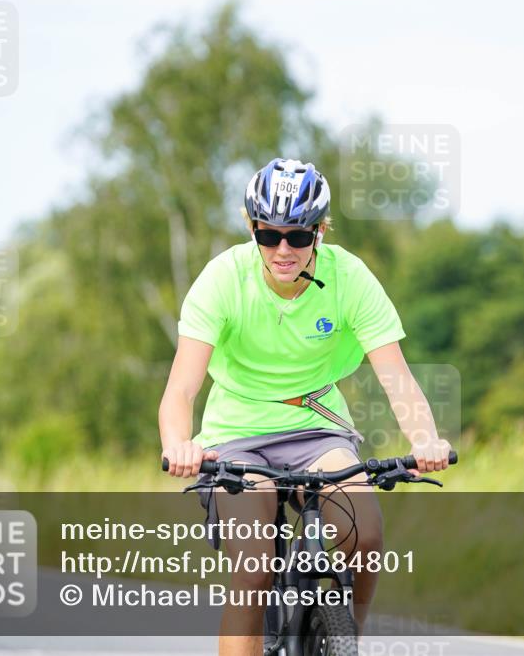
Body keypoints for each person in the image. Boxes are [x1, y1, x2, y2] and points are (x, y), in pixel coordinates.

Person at [158, 157, 452, 656]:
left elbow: (396, 377)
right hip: (236, 437)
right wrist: (179, 445)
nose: (283, 249)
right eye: (269, 235)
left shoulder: (350, 278)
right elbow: (180, 390)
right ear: (253, 230)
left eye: (298, 235)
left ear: (320, 230)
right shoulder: (223, 278)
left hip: (317, 432)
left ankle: (341, 641)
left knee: (366, 534)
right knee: (254, 562)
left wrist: (424, 438)